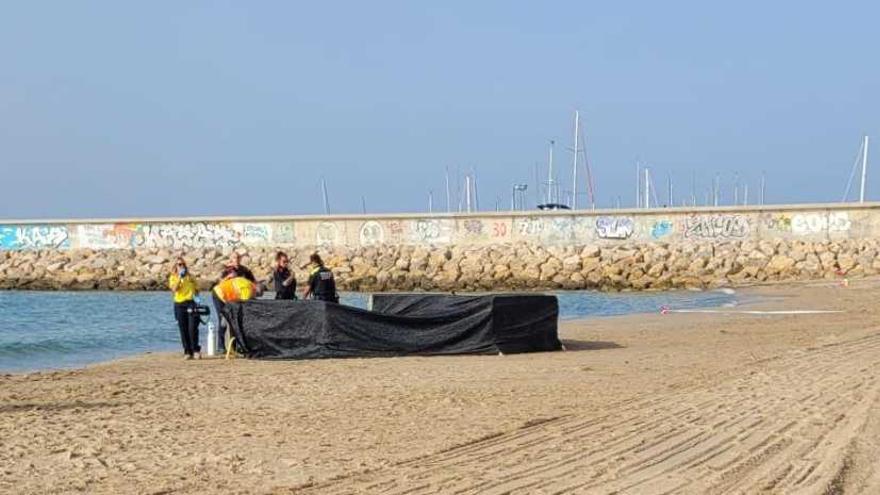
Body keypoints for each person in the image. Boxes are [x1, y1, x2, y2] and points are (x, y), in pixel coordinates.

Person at [212, 252, 256, 351]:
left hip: (235, 297)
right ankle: (221, 346)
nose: (236, 260)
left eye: (238, 258)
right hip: (221, 296)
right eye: (234, 258)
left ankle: (234, 346)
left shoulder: (244, 270)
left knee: (235, 320)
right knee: (223, 320)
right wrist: (228, 277)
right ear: (231, 259)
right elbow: (219, 284)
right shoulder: (227, 270)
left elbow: (253, 282)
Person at [168, 257, 201, 359]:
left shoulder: (190, 277)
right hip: (179, 304)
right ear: (176, 266)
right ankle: (187, 351)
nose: (181, 266)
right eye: (179, 264)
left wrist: (197, 298)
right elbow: (174, 289)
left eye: (183, 264)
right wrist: (179, 278)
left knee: (193, 327)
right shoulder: (173, 277)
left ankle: (195, 350)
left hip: (191, 303)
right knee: (183, 329)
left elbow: (197, 289)